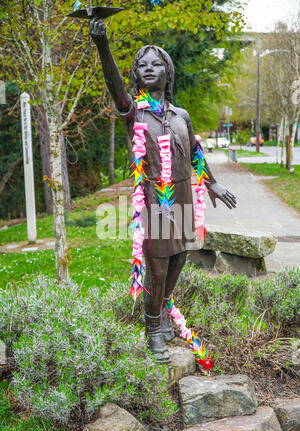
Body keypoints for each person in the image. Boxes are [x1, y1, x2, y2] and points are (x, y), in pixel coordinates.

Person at [89, 19, 237, 363]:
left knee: (179, 258)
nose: (149, 68)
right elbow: (115, 89)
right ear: (136, 76)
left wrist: (212, 182)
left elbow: (196, 152)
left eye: (156, 63)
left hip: (184, 195)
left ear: (167, 72)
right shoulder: (134, 113)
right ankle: (152, 329)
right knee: (156, 266)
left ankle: (162, 315)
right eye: (142, 65)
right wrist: (103, 47)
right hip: (156, 198)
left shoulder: (182, 114)